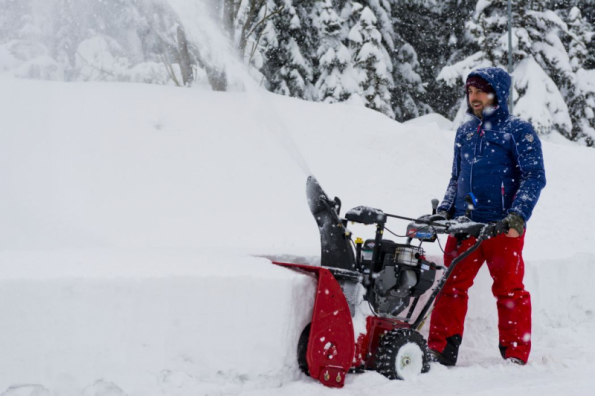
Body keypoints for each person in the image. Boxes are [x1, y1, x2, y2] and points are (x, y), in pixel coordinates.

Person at [428, 67, 546, 366]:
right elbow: (456, 178)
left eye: (480, 90)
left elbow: (534, 177)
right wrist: (444, 210)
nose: (474, 96)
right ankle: (442, 348)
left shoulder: (518, 131)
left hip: (502, 227)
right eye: (470, 91)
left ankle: (516, 353)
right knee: (451, 287)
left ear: (498, 93)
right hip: (466, 226)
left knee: (509, 290)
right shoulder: (465, 132)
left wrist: (517, 216)